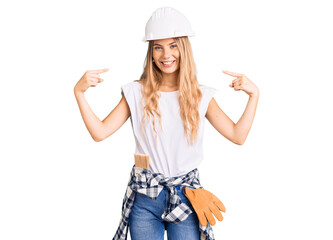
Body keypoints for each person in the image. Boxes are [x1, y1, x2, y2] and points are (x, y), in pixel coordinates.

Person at [74, 6, 259, 240]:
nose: (166, 55)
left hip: (187, 196)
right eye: (158, 47)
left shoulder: (201, 96)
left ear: (183, 49)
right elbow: (100, 132)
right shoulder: (135, 92)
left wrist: (254, 96)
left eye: (173, 46)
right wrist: (79, 94)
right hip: (145, 197)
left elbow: (237, 135)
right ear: (151, 53)